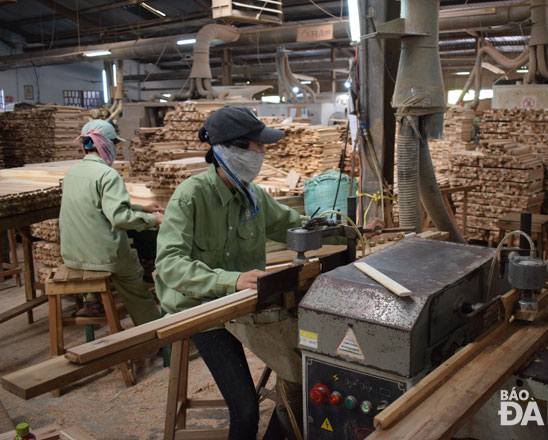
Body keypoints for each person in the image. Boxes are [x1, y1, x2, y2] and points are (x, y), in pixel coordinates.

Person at [154, 107, 383, 439]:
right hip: (202, 308)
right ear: (228, 150)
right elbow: (170, 265)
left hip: (247, 301)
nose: (261, 154)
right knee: (246, 410)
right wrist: (229, 280)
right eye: (256, 146)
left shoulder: (253, 196)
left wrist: (353, 229)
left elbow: (296, 226)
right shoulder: (190, 197)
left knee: (305, 376)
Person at [59, 119, 164, 324]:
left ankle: (92, 300)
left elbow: (96, 205)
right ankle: (154, 335)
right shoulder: (108, 175)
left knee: (100, 248)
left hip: (71, 253)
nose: (115, 149)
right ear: (104, 144)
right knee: (134, 281)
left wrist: (141, 208)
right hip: (102, 256)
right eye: (114, 144)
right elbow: (119, 218)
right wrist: (154, 219)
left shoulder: (72, 172)